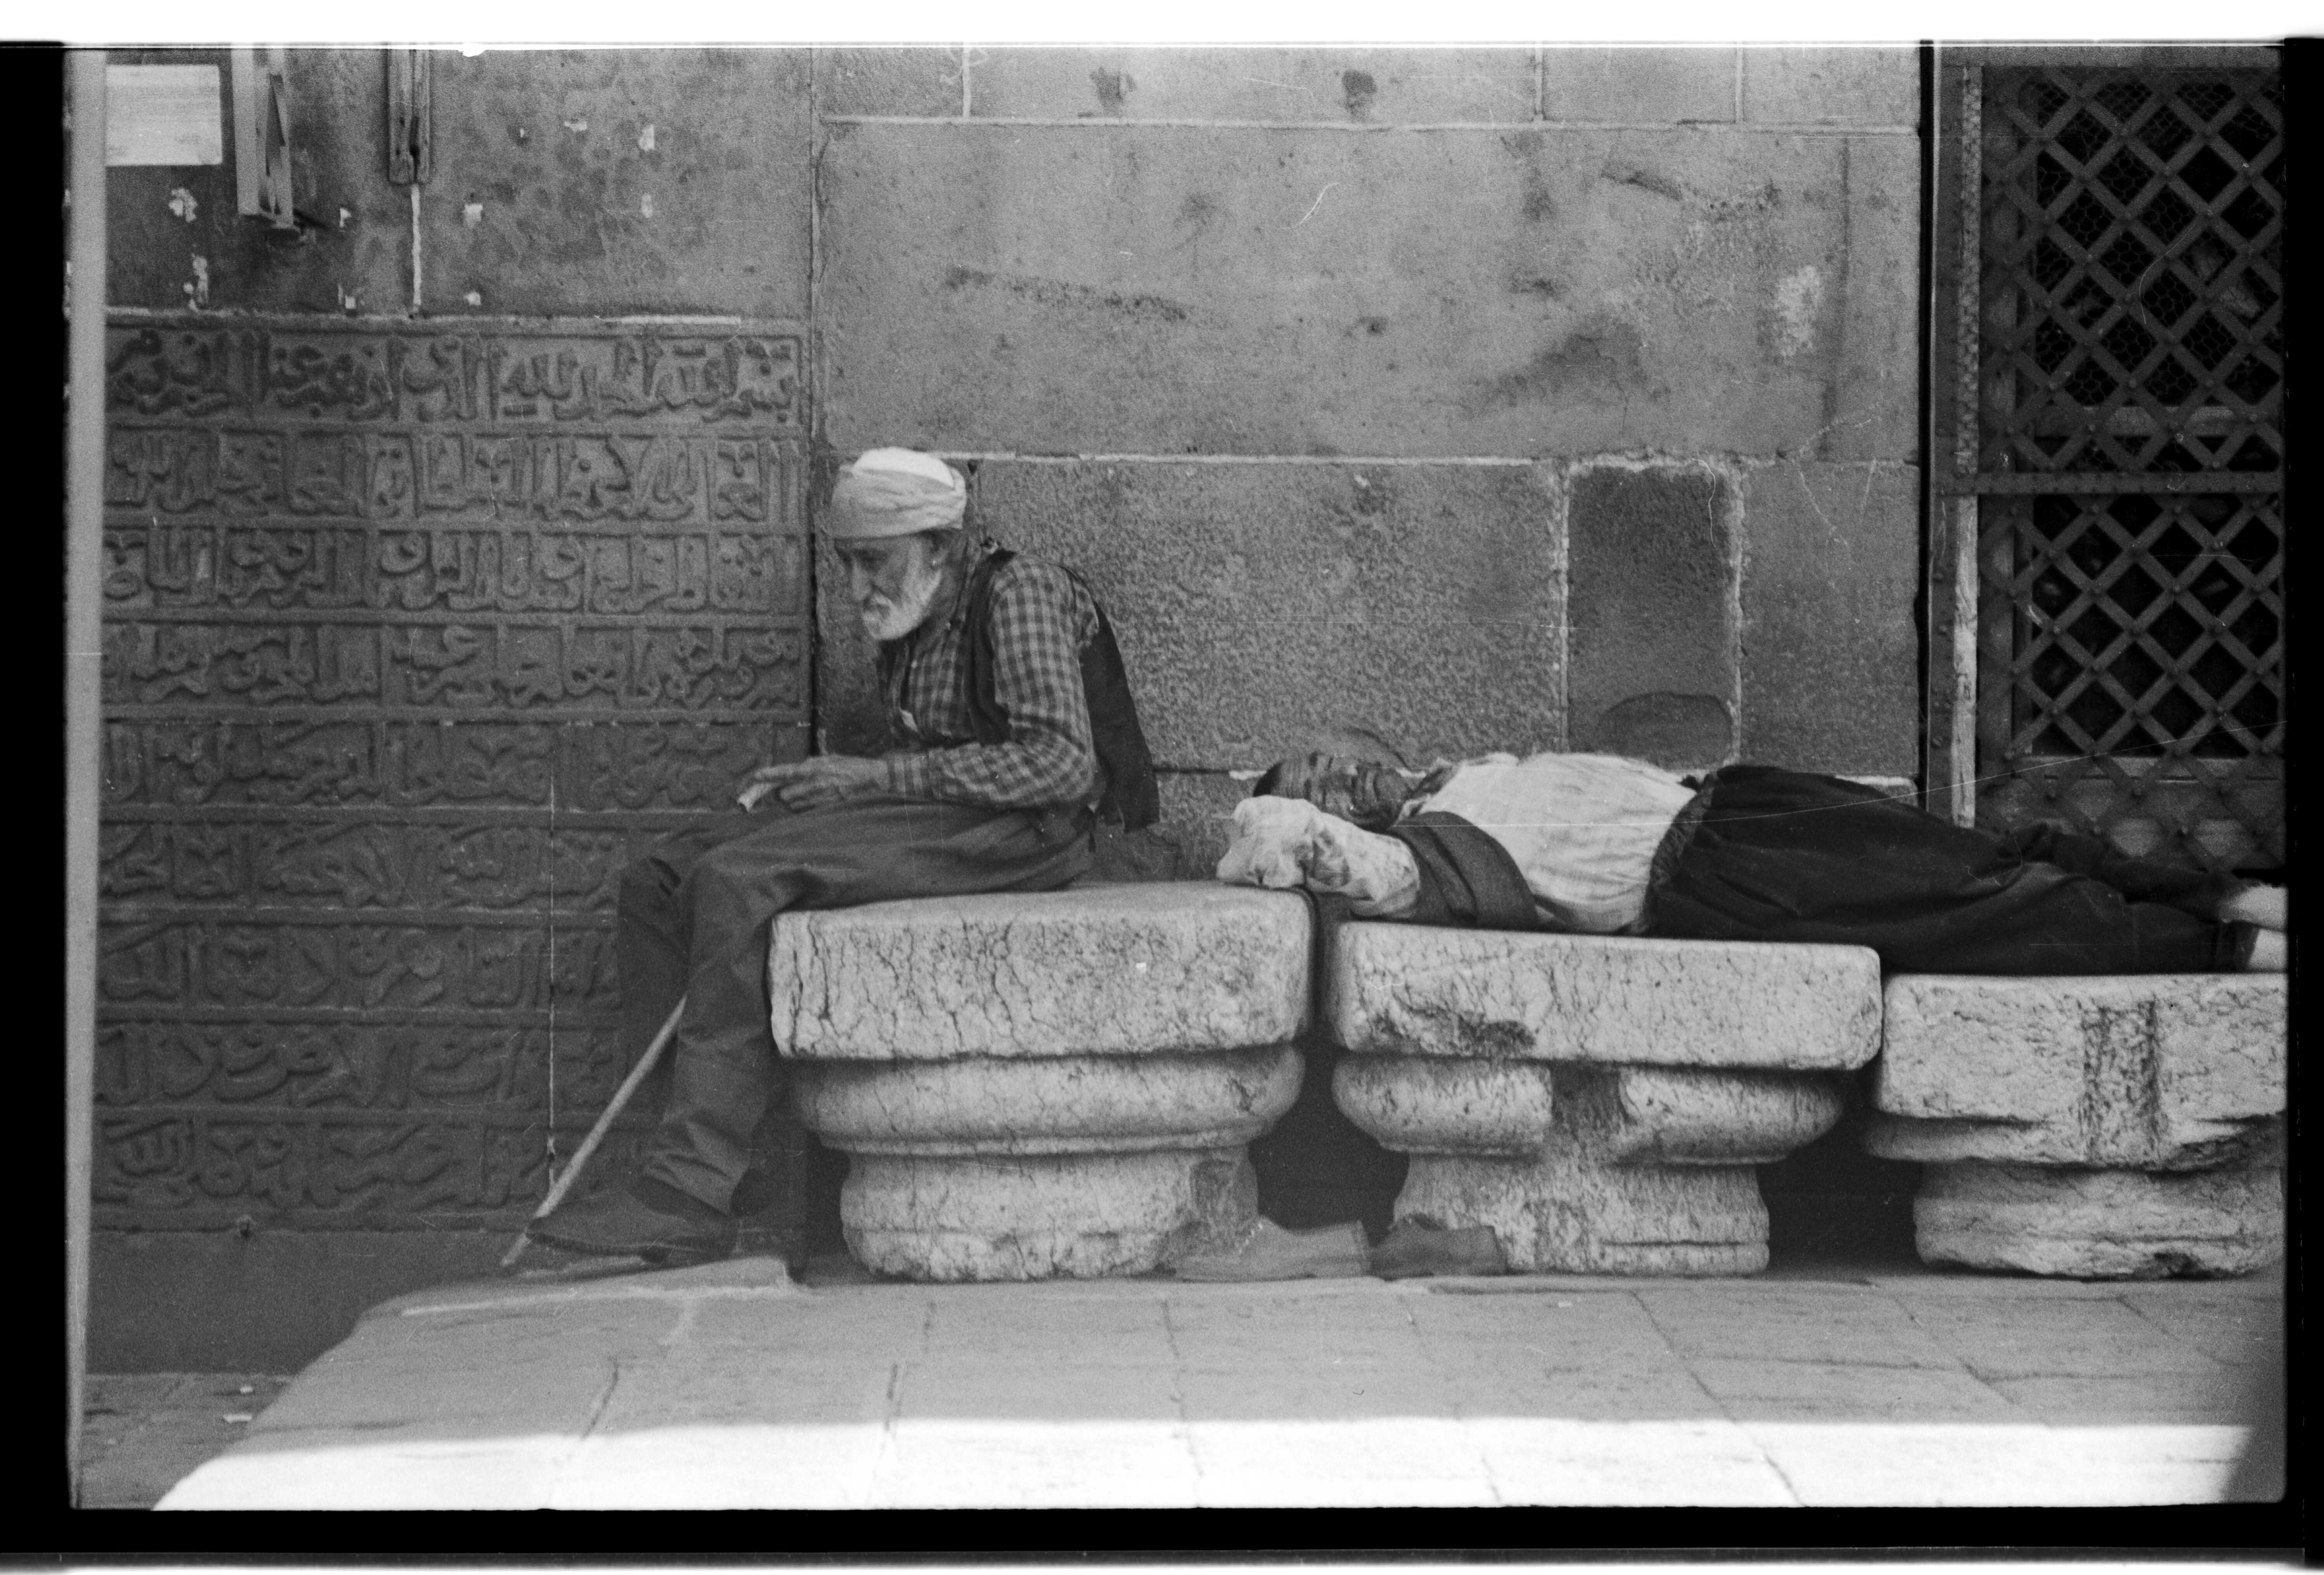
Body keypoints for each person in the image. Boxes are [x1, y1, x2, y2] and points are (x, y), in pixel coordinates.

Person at [529, 448, 1159, 1265]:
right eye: (849, 563)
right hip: (945, 813)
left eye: (874, 561)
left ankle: (692, 1185)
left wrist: (873, 779)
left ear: (940, 547)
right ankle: (685, 1169)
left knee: (738, 881)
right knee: (659, 880)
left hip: (1031, 833)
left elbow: (1061, 766)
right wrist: (840, 791)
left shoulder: (1019, 595)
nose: (858, 584)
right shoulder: (920, 608)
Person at [1218, 749, 2287, 974]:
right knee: (1997, 910)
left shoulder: (1464, 773)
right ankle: (2235, 949)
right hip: (1718, 878)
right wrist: (1275, 811)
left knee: (1991, 851)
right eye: (1318, 781)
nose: (1339, 772)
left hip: (1741, 799)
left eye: (1330, 752)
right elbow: (1316, 854)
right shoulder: (1412, 854)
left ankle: (2233, 893)